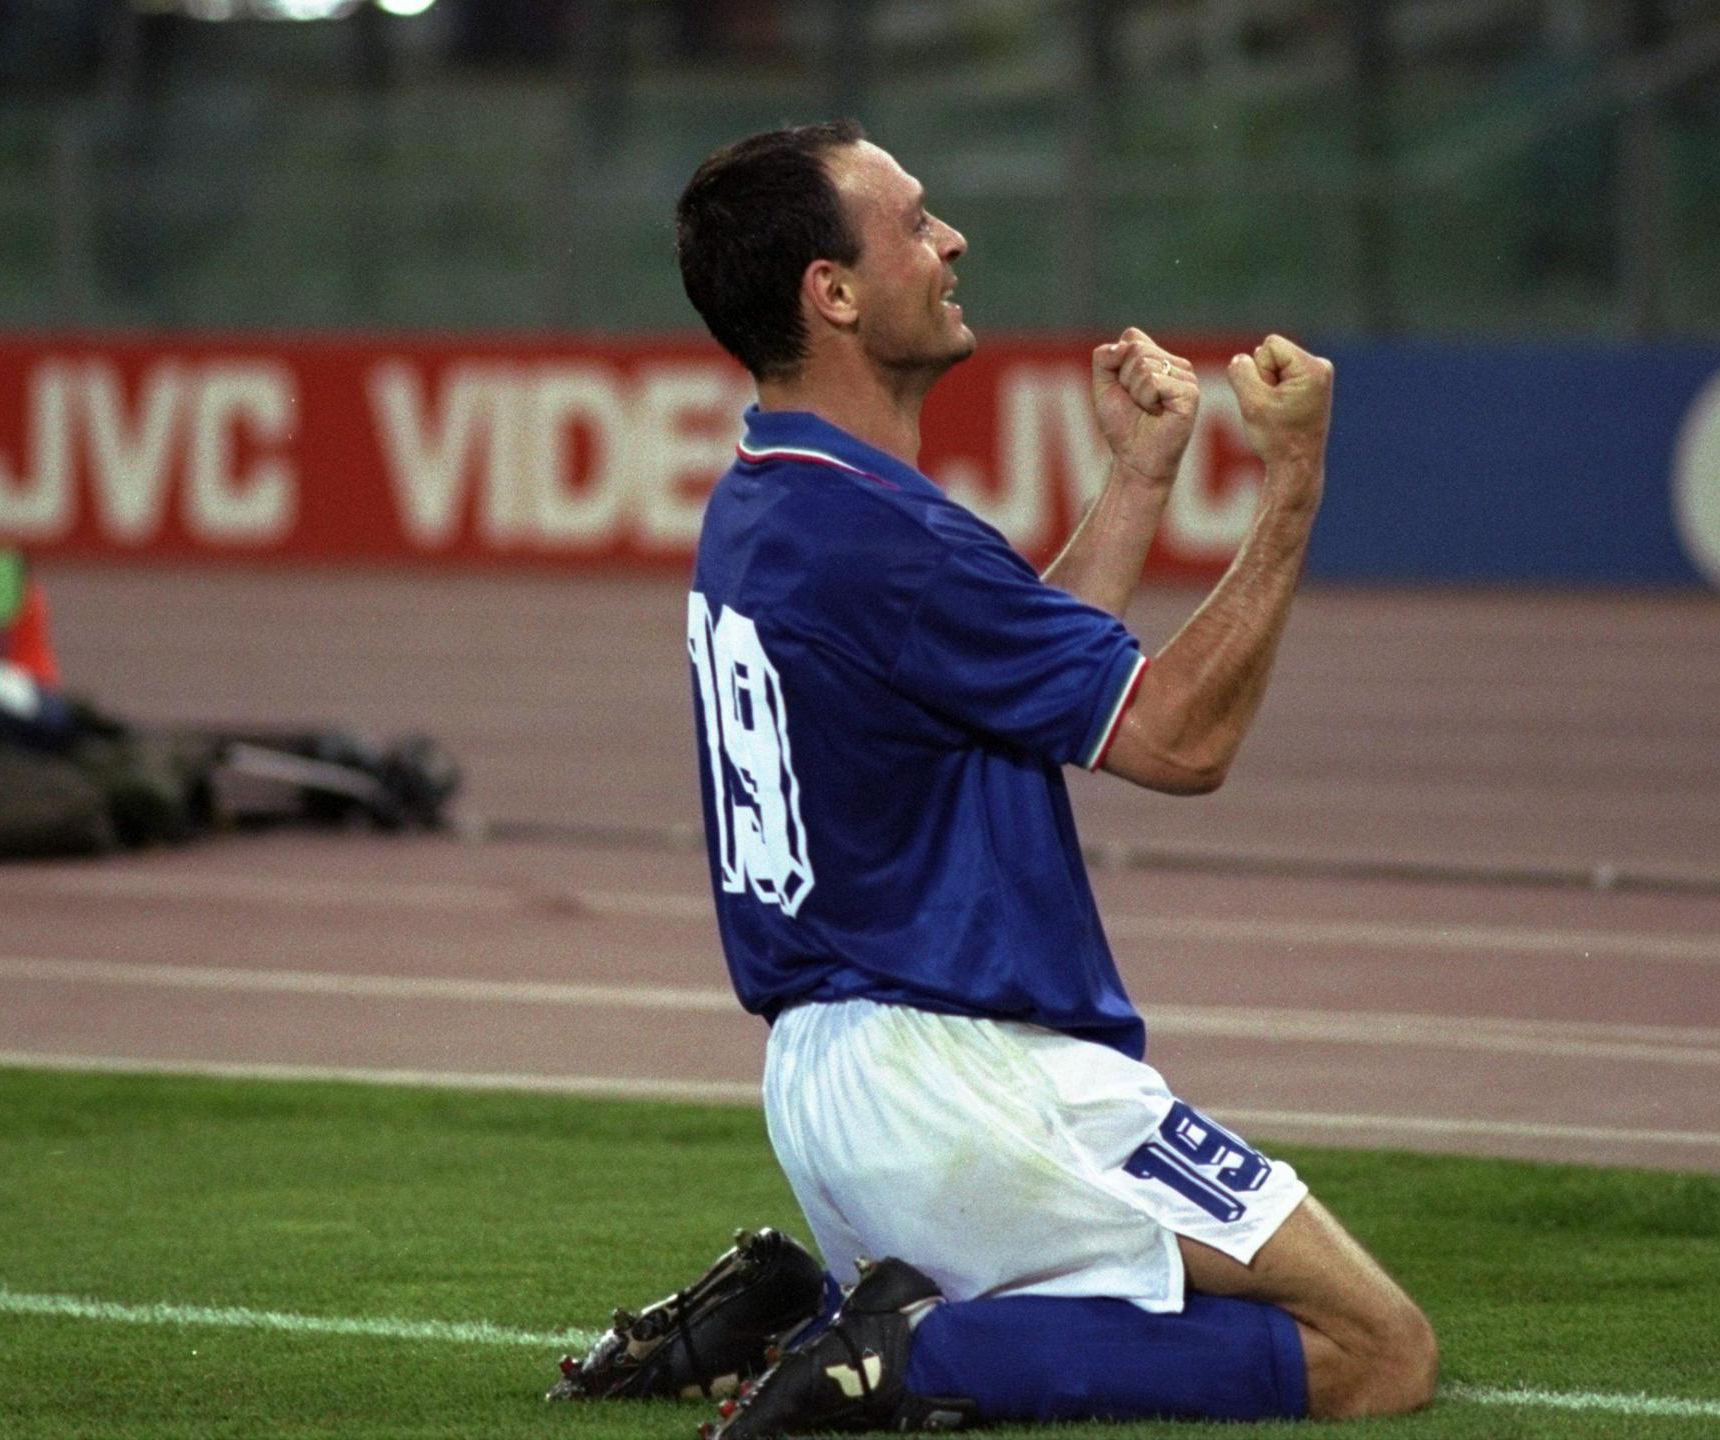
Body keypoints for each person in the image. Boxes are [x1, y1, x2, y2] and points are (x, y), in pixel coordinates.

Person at [549, 119, 1436, 1434]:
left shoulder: (769, 496)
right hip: (966, 1074)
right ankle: (906, 1357)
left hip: (837, 1086)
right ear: (832, 291)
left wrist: (1137, 478)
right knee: (1374, 1351)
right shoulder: (886, 537)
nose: (950, 238)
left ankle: (808, 1304)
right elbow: (1180, 745)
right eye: (912, 221)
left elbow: (1003, 683)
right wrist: (1291, 485)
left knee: (1167, 1322)